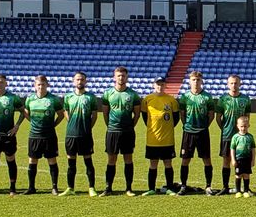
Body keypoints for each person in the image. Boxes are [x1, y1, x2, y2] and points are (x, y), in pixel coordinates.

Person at [19, 75, 65, 195]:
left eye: (43, 84)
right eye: (38, 84)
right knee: (32, 160)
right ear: (35, 86)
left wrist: (53, 125)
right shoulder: (30, 99)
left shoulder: (53, 99)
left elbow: (60, 114)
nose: (40, 87)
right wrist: (34, 123)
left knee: (52, 160)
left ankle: (54, 187)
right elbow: (26, 114)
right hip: (34, 135)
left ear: (47, 85)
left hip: (49, 135)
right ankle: (31, 187)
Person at [101, 67, 143, 196]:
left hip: (127, 132)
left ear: (127, 77)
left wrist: (130, 126)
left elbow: (137, 115)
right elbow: (105, 113)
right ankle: (108, 188)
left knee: (128, 158)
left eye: (123, 76)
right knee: (111, 159)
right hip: (112, 131)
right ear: (114, 77)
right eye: (119, 75)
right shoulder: (107, 93)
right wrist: (110, 126)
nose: (121, 78)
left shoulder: (133, 94)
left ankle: (129, 188)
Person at [178, 71, 217, 195]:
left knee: (207, 159)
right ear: (189, 81)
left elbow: (211, 115)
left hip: (202, 132)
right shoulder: (185, 97)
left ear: (202, 81)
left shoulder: (207, 97)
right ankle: (183, 185)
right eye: (193, 80)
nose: (196, 82)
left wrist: (204, 126)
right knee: (185, 159)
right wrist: (186, 125)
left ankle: (208, 186)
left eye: (198, 80)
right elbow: (182, 114)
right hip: (188, 132)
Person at [61, 72, 100, 197]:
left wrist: (88, 127)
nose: (80, 82)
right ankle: (70, 188)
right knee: (71, 163)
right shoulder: (68, 97)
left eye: (82, 79)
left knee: (88, 161)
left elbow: (94, 115)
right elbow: (65, 111)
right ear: (73, 81)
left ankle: (91, 188)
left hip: (85, 135)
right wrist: (71, 122)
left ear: (85, 82)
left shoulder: (90, 97)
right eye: (77, 79)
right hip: (71, 135)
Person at [141, 77, 180, 196]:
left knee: (168, 163)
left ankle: (169, 188)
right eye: (158, 84)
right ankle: (151, 188)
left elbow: (176, 118)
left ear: (165, 86)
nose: (160, 87)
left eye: (162, 84)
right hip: (152, 139)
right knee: (153, 164)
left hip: (167, 139)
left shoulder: (171, 100)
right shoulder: (147, 100)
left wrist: (167, 128)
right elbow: (144, 117)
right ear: (154, 85)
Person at [215, 75, 253, 195]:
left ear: (240, 84)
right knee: (226, 160)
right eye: (231, 83)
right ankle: (225, 187)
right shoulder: (223, 99)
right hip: (227, 135)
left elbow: (247, 117)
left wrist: (243, 131)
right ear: (227, 84)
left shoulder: (245, 99)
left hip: (242, 137)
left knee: (244, 160)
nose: (234, 85)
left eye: (236, 83)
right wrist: (224, 128)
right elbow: (218, 118)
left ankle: (245, 188)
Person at [229, 116, 256, 198]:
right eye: (241, 126)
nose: (243, 128)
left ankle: (246, 191)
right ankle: (238, 191)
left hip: (247, 159)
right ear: (237, 126)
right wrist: (233, 159)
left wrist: (253, 160)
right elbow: (232, 149)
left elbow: (253, 149)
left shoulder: (250, 137)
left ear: (248, 126)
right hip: (238, 159)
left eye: (245, 126)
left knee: (246, 175)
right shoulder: (235, 137)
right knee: (238, 175)